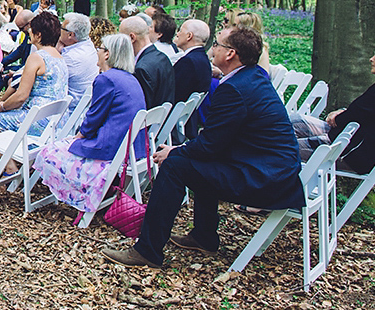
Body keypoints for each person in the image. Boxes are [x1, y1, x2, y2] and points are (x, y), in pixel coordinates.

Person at [103, 27, 304, 269]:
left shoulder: (235, 88)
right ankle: (204, 236)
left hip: (266, 179)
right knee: (195, 163)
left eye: (218, 45)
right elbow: (216, 143)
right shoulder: (252, 76)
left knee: (175, 166)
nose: (213, 49)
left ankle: (147, 250)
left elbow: (210, 146)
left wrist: (174, 152)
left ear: (231, 54)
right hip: (272, 169)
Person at [32, 33, 147, 214]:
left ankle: (77, 196)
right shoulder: (130, 78)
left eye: (100, 48)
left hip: (110, 146)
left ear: (107, 54)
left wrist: (79, 137)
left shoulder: (106, 79)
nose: (97, 52)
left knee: (49, 153)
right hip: (133, 147)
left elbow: (94, 116)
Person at [291, 34, 375, 173]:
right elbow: (362, 112)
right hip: (351, 141)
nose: (372, 59)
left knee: (280, 148)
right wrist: (344, 114)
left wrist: (340, 115)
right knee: (294, 121)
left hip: (349, 153)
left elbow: (348, 118)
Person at [0, 11, 69, 140]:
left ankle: (10, 160)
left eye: (31, 30)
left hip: (38, 119)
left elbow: (21, 96)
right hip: (58, 119)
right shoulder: (60, 58)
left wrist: (1, 106)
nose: (28, 32)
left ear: (38, 35)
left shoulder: (36, 57)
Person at [122, 15, 174, 110]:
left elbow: (141, 106)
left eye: (122, 38)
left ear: (132, 38)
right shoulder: (162, 57)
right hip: (163, 118)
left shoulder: (141, 69)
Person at [59, 13, 100, 115]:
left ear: (70, 35)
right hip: (84, 106)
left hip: (69, 111)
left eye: (61, 28)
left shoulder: (71, 58)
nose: (58, 30)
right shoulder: (88, 45)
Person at [172, 19, 212, 105]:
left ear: (189, 36)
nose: (177, 34)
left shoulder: (188, 62)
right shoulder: (203, 59)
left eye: (180, 31)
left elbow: (174, 93)